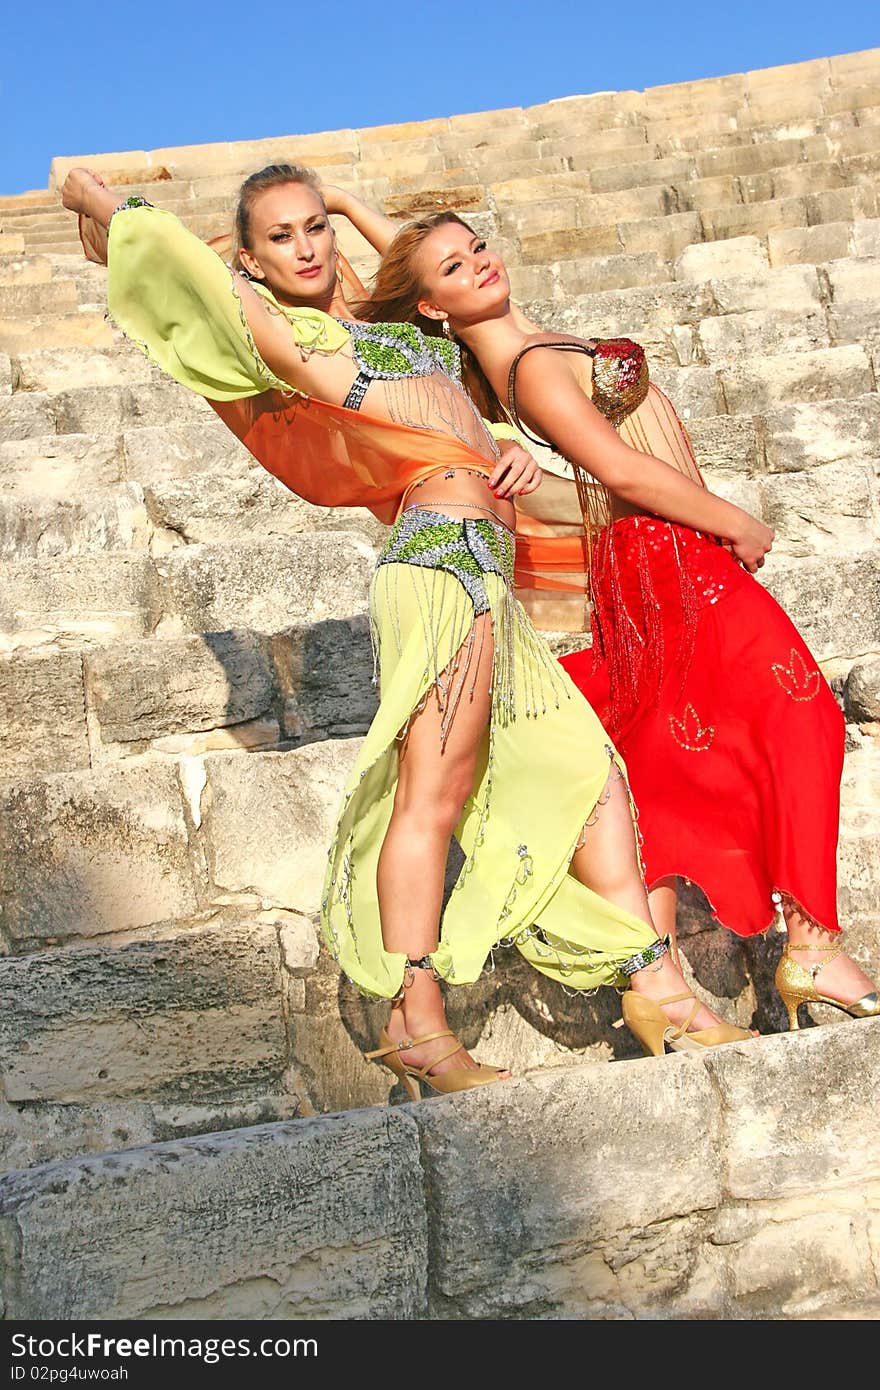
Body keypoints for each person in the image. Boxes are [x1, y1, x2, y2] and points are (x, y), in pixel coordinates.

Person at [61, 165, 756, 1084]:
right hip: (437, 572)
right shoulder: (290, 339)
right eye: (283, 236)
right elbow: (190, 279)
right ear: (252, 260)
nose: (307, 246)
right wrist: (99, 200)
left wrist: (355, 211)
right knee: (432, 795)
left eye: (316, 227)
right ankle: (417, 1021)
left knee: (590, 776)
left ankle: (659, 989)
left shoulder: (377, 331)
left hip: (486, 572)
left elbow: (433, 284)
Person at [338, 193, 879, 1031]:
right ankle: (807, 945)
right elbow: (618, 469)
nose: (480, 261)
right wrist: (731, 516)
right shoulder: (529, 368)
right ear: (433, 308)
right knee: (801, 713)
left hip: (669, 551)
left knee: (664, 758)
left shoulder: (517, 337)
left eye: (479, 246)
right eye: (456, 268)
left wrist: (347, 205)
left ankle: (660, 977)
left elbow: (416, 263)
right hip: (667, 550)